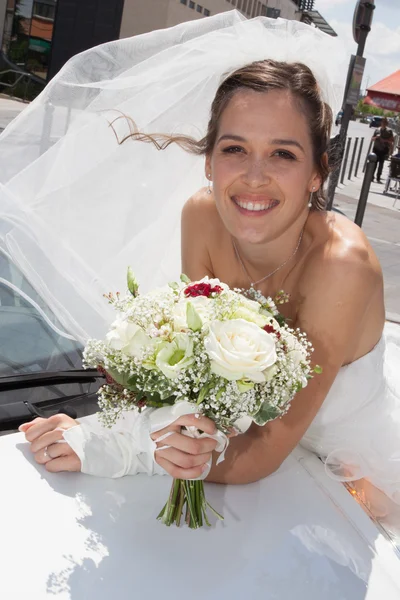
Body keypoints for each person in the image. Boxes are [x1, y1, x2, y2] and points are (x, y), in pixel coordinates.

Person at [2, 13, 399, 520]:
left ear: (318, 172)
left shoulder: (343, 265)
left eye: (282, 154)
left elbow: (265, 450)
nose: (254, 178)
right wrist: (113, 420)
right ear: (209, 161)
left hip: (346, 463)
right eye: (235, 149)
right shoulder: (203, 214)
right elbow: (193, 380)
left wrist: (116, 448)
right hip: (234, 444)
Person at [372, 117, 394, 183]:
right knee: (374, 164)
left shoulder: (389, 131)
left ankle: (378, 177)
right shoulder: (377, 130)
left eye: (385, 122)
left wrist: (385, 141)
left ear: (387, 123)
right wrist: (376, 137)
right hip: (376, 149)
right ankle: (371, 176)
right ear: (381, 123)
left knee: (381, 164)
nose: (383, 123)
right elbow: (372, 139)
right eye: (382, 122)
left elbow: (392, 140)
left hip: (383, 150)